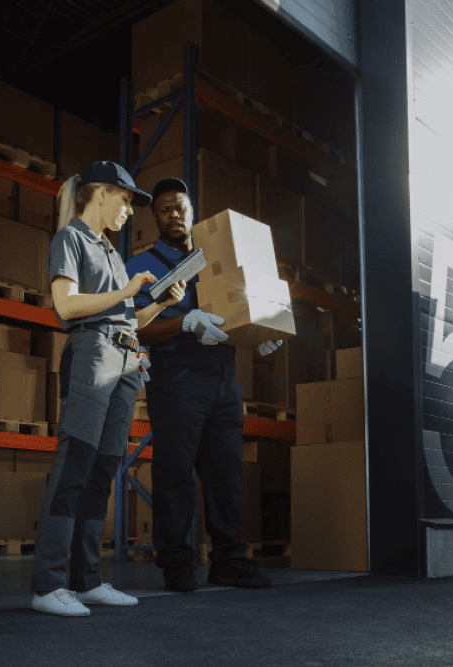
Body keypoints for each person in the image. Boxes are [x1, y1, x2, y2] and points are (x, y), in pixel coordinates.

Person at [31, 161, 186, 617]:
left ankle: (87, 580)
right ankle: (47, 585)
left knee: (103, 470)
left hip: (125, 358)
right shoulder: (71, 239)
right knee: (75, 463)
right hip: (92, 355)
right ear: (101, 194)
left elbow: (130, 319)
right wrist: (126, 293)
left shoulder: (113, 253)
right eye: (125, 200)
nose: (129, 211)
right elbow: (66, 304)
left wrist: (158, 302)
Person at [125, 177, 283, 592]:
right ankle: (176, 562)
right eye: (164, 210)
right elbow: (137, 330)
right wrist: (184, 323)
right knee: (175, 474)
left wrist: (259, 331)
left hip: (223, 381)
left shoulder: (217, 258)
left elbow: (239, 307)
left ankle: (228, 559)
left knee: (225, 474)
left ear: (192, 210)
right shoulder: (141, 266)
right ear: (155, 218)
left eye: (180, 207)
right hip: (177, 382)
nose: (174, 215)